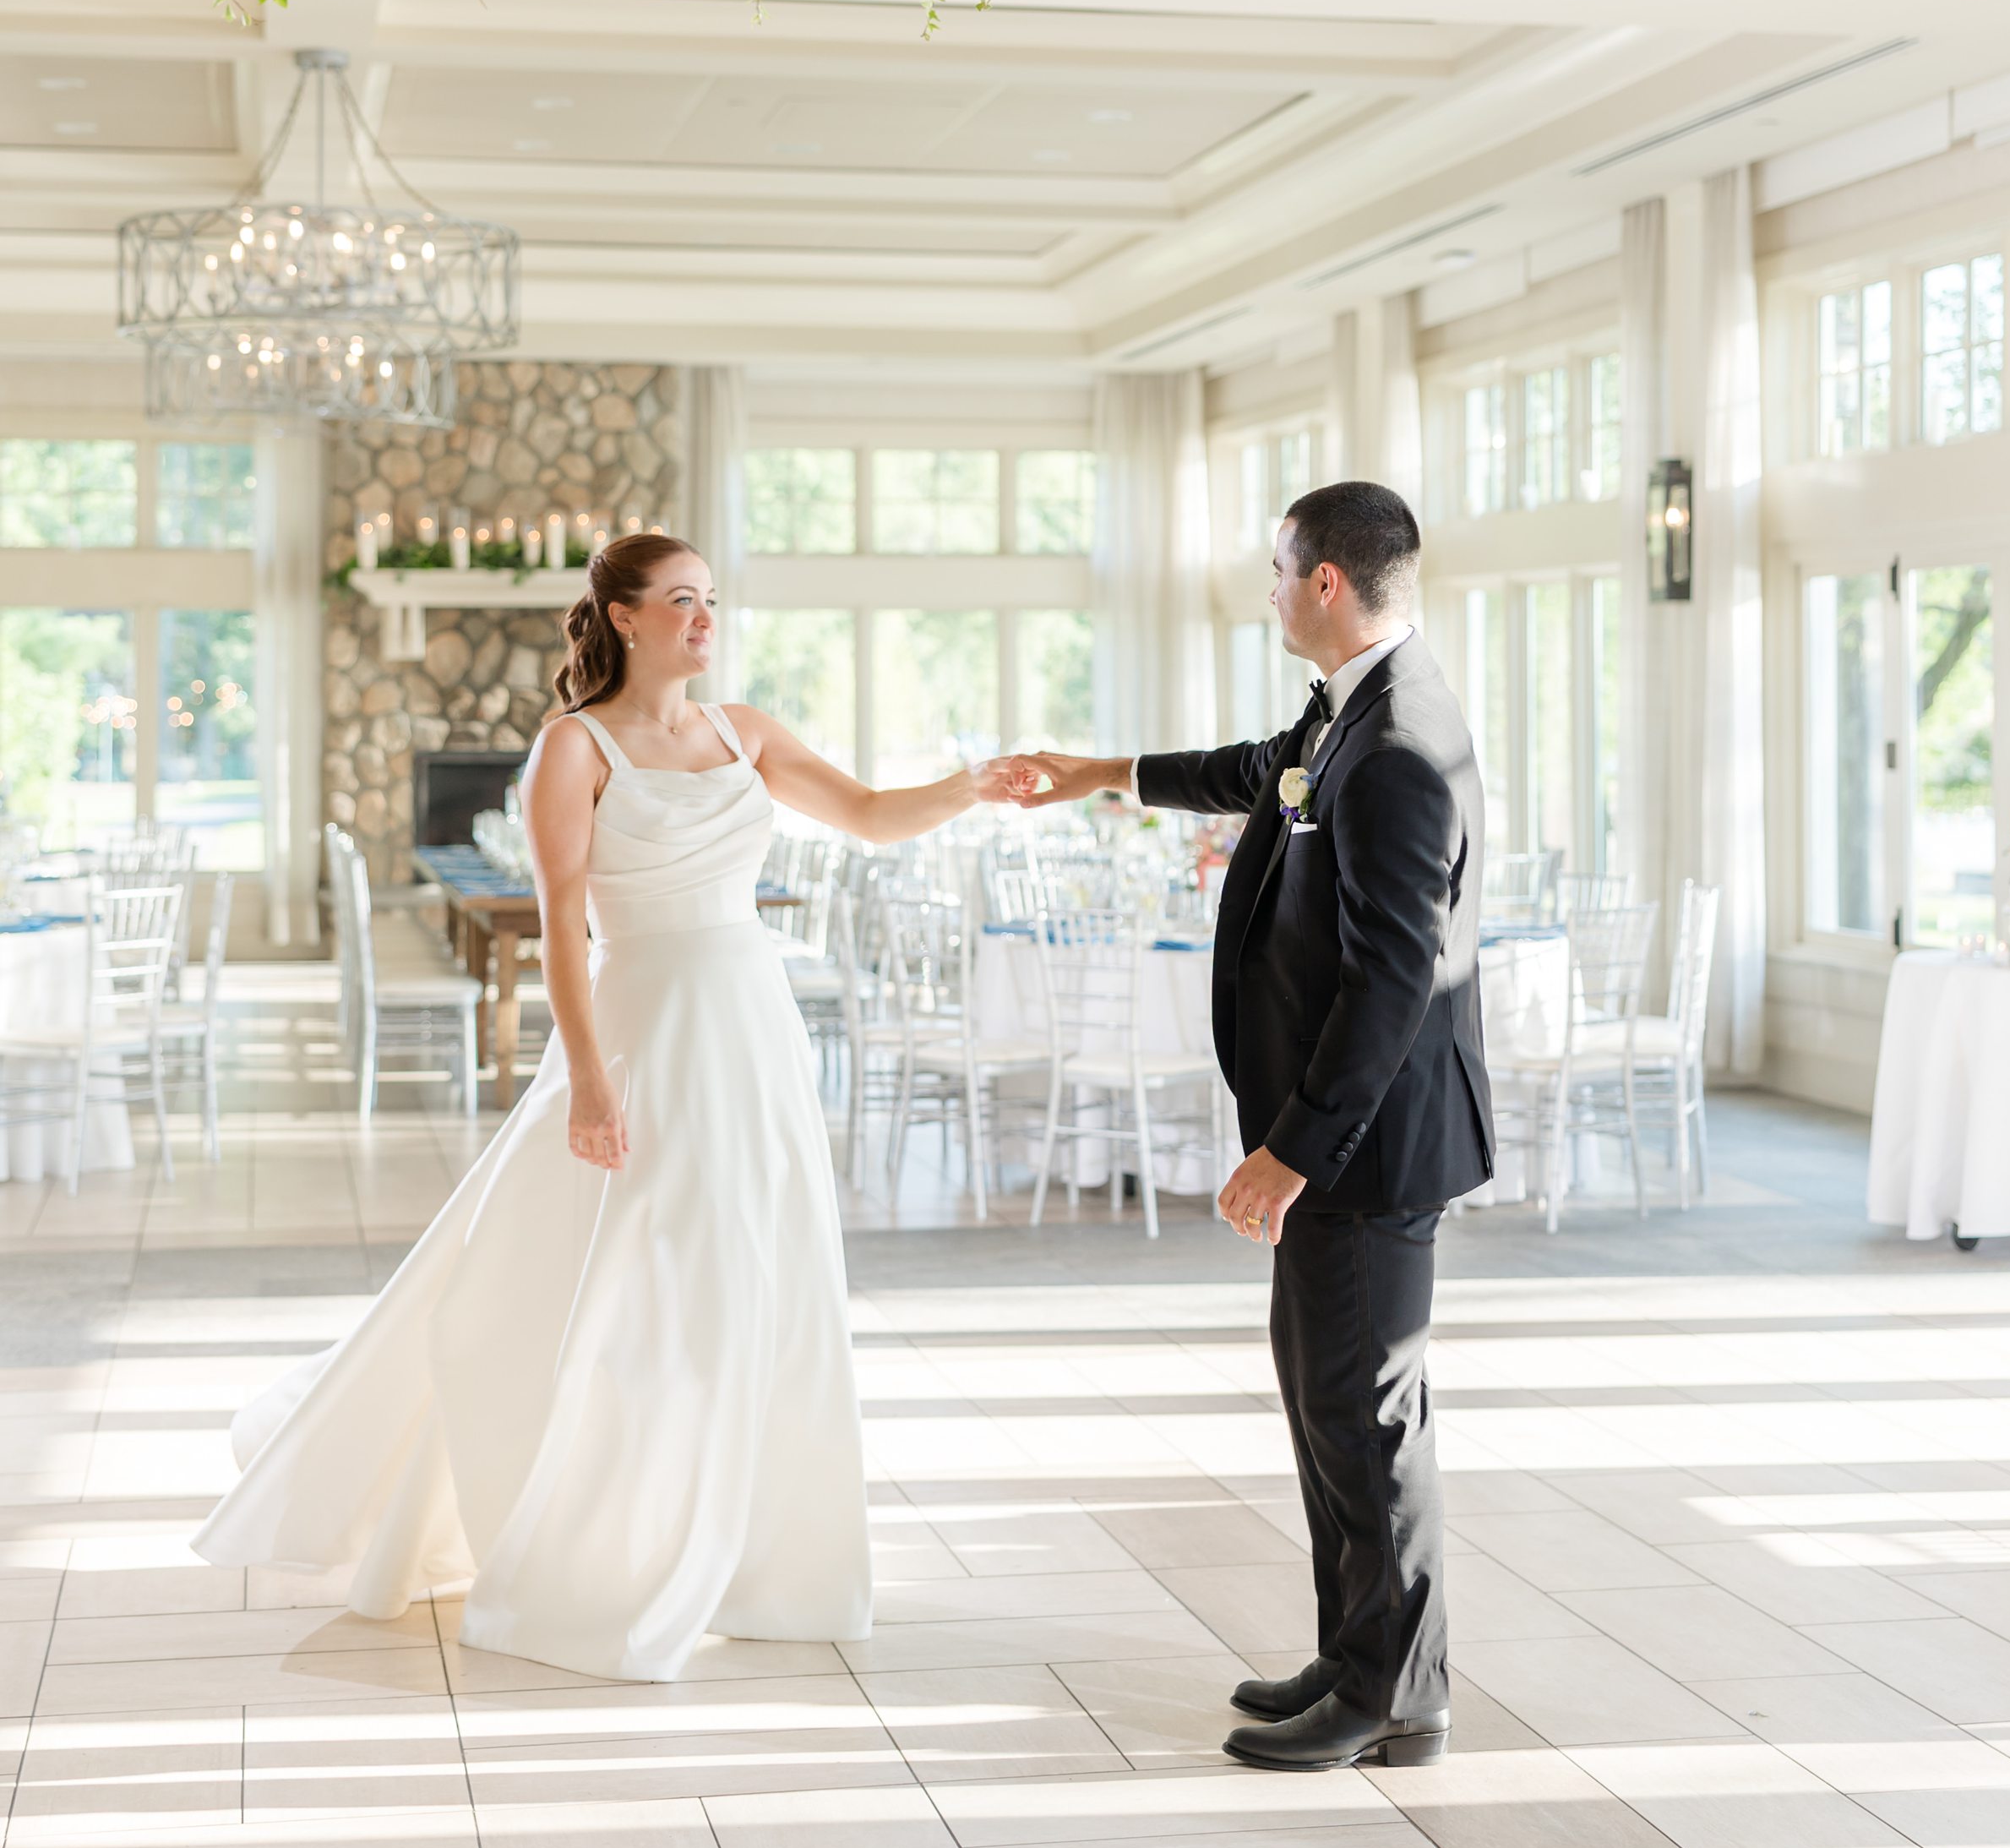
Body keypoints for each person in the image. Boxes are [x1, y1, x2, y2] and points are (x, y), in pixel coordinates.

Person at [196, 532, 1034, 1682]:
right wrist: (589, 1078)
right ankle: (607, 1540)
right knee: (630, 1281)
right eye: (680, 601)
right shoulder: (572, 748)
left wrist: (973, 788)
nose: (704, 618)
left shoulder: (748, 732)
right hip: (644, 1034)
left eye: (710, 600)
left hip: (751, 1033)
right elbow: (560, 932)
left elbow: (877, 813)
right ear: (625, 618)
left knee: (756, 1275)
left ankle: (760, 1557)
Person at [1019, 480, 1490, 1770]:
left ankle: (1393, 1692)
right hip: (1342, 1147)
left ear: (1327, 582)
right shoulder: (1352, 713)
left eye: (1278, 570)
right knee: (1329, 1406)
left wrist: (1293, 1148)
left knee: (1365, 1416)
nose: (1268, 590)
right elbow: (1258, 776)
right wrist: (1097, 775)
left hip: (1362, 1148)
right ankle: (1368, 1662)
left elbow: (1397, 975)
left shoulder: (1400, 746)